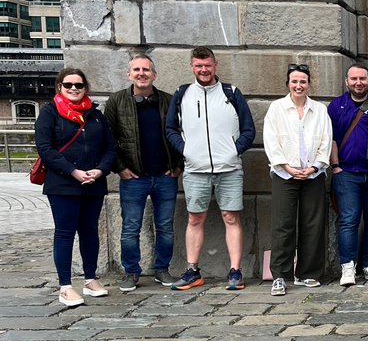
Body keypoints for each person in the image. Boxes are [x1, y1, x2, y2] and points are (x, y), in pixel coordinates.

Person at [165, 46, 256, 292]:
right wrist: (186, 150)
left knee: (231, 217)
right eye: (198, 66)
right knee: (195, 218)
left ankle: (235, 272)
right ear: (192, 67)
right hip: (195, 169)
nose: (203, 70)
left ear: (215, 66)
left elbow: (249, 130)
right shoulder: (182, 94)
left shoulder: (231, 93)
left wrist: (233, 150)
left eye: (207, 65)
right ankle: (193, 271)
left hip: (229, 169)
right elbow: (171, 129)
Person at [35, 67, 117, 307]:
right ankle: (65, 286)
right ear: (60, 87)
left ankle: (90, 279)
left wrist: (101, 170)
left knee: (90, 232)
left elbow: (110, 147)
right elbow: (45, 148)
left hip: (93, 182)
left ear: (85, 88)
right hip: (62, 184)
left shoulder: (95, 114)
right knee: (65, 232)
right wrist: (73, 172)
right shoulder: (49, 113)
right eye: (68, 84)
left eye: (78, 85)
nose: (73, 89)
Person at [103, 54, 184, 292]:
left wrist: (178, 166)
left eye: (146, 69)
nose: (142, 73)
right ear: (129, 74)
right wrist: (120, 168)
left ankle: (162, 269)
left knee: (165, 226)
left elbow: (182, 135)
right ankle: (131, 272)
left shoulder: (169, 101)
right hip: (133, 178)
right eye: (136, 69)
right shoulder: (117, 101)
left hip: (165, 176)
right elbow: (108, 139)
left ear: (154, 74)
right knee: (130, 227)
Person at [263, 64, 332, 295]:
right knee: (283, 225)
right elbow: (271, 141)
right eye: (294, 81)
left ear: (309, 84)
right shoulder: (277, 109)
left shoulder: (320, 110)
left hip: (313, 174)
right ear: (288, 83)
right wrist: (287, 167)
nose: (299, 85)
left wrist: (314, 167)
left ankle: (308, 273)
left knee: (312, 224)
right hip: (285, 174)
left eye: (303, 81)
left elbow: (326, 140)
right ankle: (280, 275)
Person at [328, 62, 368, 286]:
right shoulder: (336, 106)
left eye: (362, 79)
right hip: (347, 172)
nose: (358, 83)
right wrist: (335, 166)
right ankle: (348, 267)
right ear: (347, 81)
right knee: (349, 220)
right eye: (354, 79)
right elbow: (329, 137)